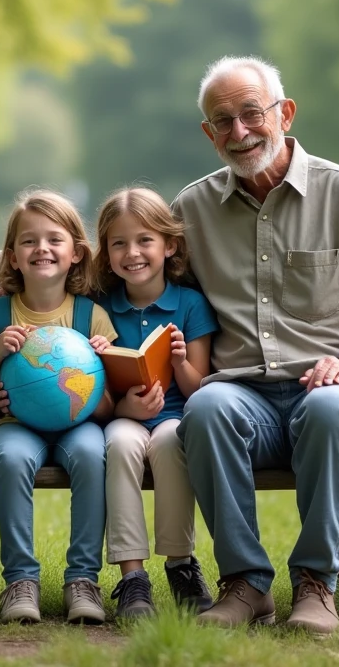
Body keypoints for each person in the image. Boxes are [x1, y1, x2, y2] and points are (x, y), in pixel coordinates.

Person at [172, 56, 339, 634]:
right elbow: (148, 293)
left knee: (329, 409)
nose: (240, 132)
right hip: (245, 399)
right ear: (209, 135)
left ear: (284, 113)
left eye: (252, 114)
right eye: (222, 121)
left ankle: (315, 586)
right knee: (206, 407)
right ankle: (246, 586)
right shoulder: (191, 210)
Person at [0, 189, 118, 625]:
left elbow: (108, 409)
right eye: (29, 241)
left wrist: (102, 364)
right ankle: (20, 580)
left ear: (76, 253)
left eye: (55, 239)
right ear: (12, 256)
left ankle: (83, 580)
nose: (42, 249)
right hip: (16, 423)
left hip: (80, 423)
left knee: (93, 454)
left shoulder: (93, 318)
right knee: (11, 458)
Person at [90, 187, 219, 620]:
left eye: (144, 240)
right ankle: (132, 578)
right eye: (119, 243)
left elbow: (199, 385)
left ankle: (180, 563)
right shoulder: (99, 308)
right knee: (120, 445)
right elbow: (96, 393)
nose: (133, 253)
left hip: (176, 415)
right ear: (106, 253)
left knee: (170, 444)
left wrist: (180, 362)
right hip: (125, 416)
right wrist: (125, 407)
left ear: (170, 245)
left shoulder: (190, 304)